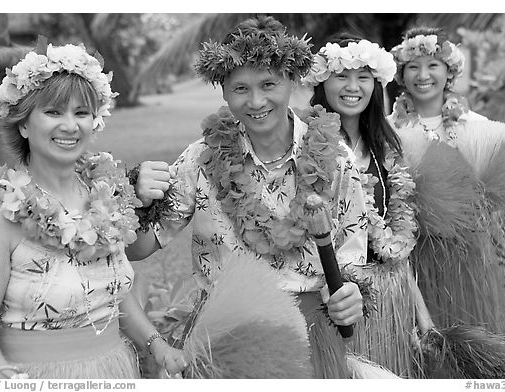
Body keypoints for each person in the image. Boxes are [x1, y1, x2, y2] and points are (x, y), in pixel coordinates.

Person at [128, 16, 396, 378]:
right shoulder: (201, 158)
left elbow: (351, 258)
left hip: (308, 335)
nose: (255, 102)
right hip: (225, 333)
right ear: (223, 90)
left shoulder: (334, 158)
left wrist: (349, 295)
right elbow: (137, 249)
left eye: (268, 83)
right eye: (240, 88)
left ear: (292, 81)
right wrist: (133, 197)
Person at [0, 42, 187, 379]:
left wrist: (156, 344)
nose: (70, 125)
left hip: (116, 371)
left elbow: (112, 292)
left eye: (81, 112)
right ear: (24, 124)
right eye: (53, 112)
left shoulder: (107, 195)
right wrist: (2, 375)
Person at [304, 33, 434, 378]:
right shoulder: (307, 145)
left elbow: (398, 246)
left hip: (389, 304)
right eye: (342, 75)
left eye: (363, 76)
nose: (353, 86)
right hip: (333, 303)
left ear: (376, 84)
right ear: (322, 81)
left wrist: (422, 316)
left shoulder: (386, 146)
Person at [387, 27, 505, 336]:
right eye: (413, 67)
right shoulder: (389, 129)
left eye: (432, 65)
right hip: (412, 257)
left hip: (468, 258)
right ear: (401, 75)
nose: (423, 75)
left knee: (472, 336)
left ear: (449, 72)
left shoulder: (475, 127)